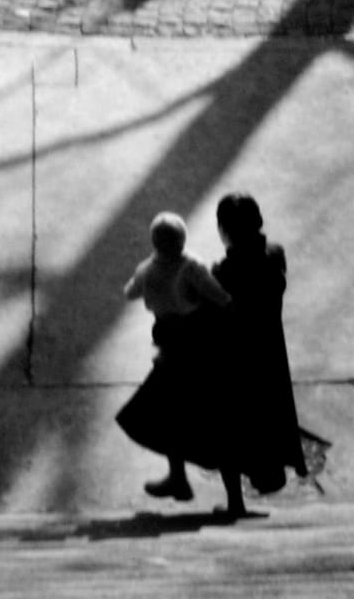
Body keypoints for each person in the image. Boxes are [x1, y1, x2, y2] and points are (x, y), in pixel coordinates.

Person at [115, 211, 232, 504]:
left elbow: (130, 293)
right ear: (183, 240)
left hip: (168, 344)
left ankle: (178, 477)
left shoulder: (146, 269)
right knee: (197, 408)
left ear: (154, 242)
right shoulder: (192, 266)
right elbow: (220, 297)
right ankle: (198, 474)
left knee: (169, 410)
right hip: (195, 343)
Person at [211, 193, 307, 519]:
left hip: (236, 358)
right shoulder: (275, 256)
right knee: (268, 419)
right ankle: (269, 475)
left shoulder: (223, 271)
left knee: (230, 428)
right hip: (269, 352)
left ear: (224, 229)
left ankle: (235, 502)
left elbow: (217, 313)